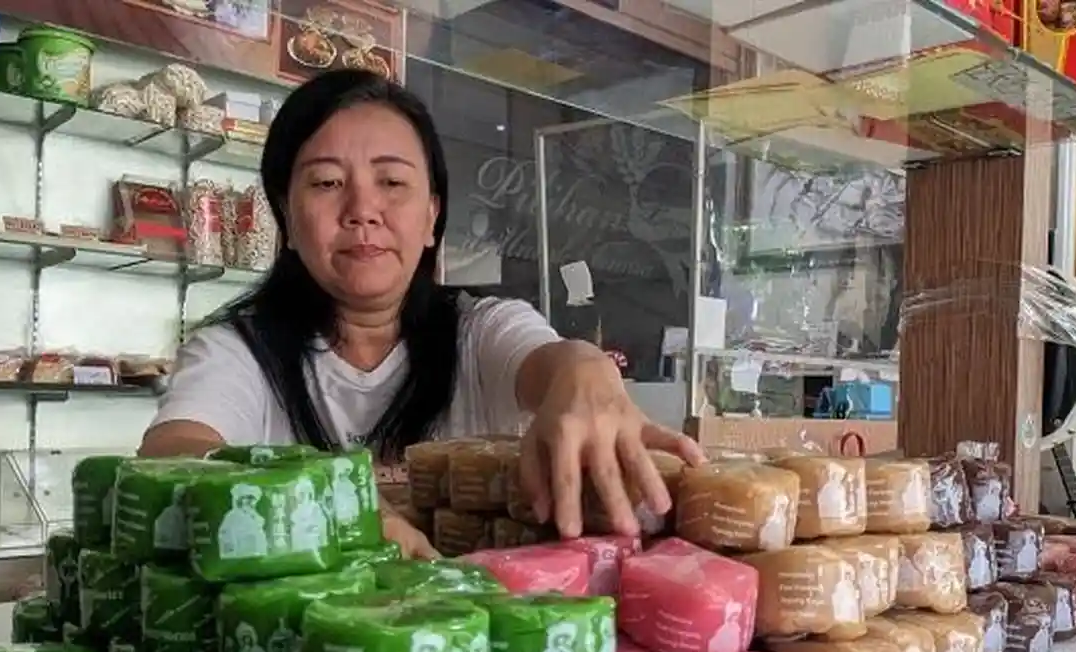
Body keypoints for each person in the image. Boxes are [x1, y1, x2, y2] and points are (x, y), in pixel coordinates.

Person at [138, 69, 704, 558]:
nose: (363, 210)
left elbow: (553, 362)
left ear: (432, 215)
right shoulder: (237, 352)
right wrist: (344, 507)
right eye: (328, 182)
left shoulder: (479, 330)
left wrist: (586, 374)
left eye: (392, 182)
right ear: (287, 214)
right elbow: (171, 457)